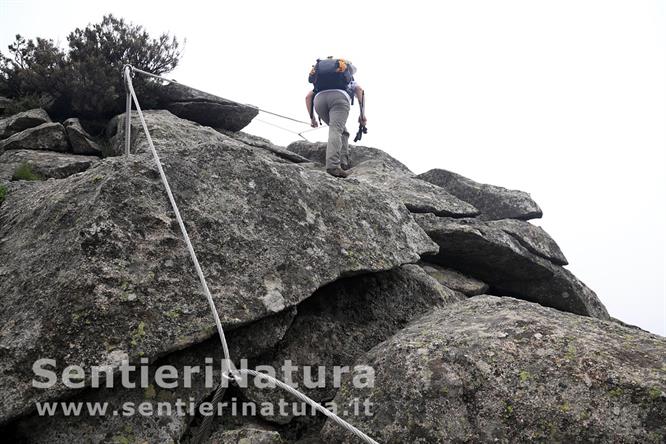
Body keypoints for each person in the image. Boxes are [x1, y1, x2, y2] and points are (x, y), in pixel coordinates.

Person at [305, 58, 366, 178]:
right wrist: (362, 115)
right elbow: (359, 90)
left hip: (319, 101)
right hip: (339, 99)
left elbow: (308, 97)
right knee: (336, 130)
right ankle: (333, 166)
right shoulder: (348, 80)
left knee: (342, 131)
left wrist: (312, 118)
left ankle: (343, 162)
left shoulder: (320, 84)